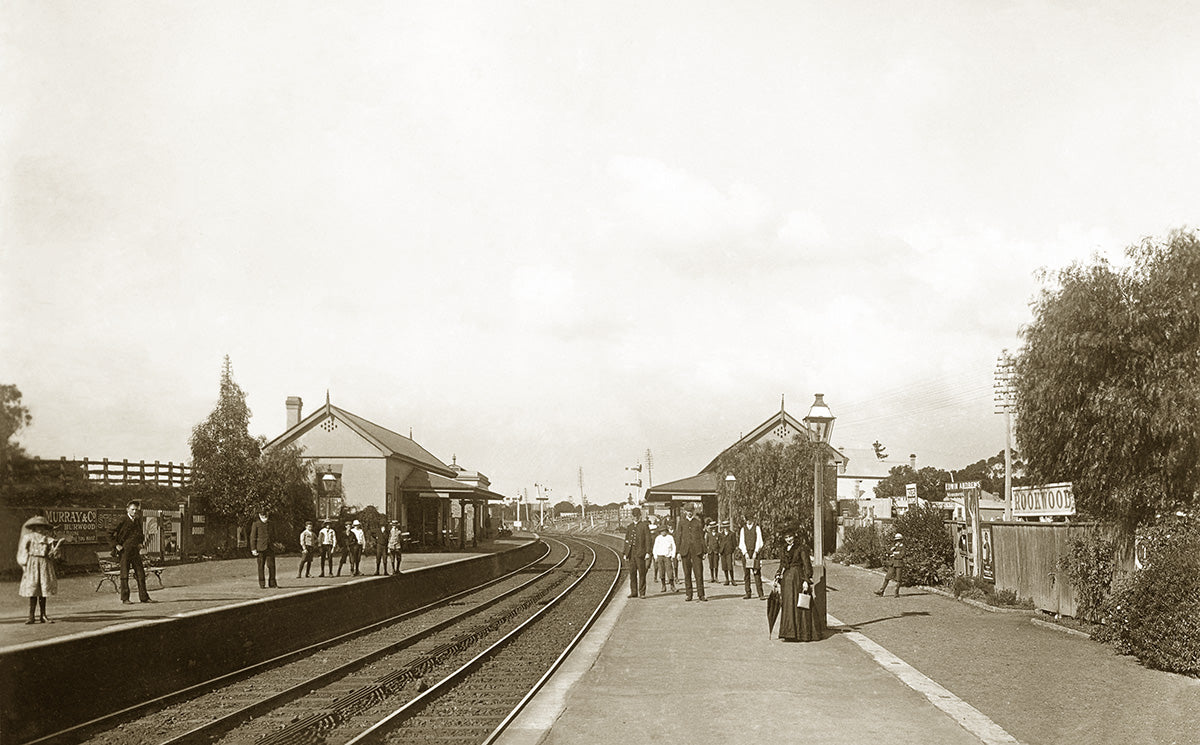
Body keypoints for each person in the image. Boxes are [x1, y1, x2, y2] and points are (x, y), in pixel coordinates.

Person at [17, 516, 65, 624]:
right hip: (32, 564)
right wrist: (24, 564)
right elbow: (23, 551)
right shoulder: (28, 538)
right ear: (34, 527)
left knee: (43, 590)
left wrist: (55, 550)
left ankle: (43, 615)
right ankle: (31, 616)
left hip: (44, 564)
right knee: (33, 589)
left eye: (42, 527)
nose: (40, 529)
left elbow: (54, 554)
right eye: (38, 527)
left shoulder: (48, 539)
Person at [775, 525, 817, 642]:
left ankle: (800, 634)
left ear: (795, 536)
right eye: (786, 537)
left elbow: (806, 565)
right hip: (786, 581)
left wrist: (806, 580)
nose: (789, 539)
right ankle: (788, 633)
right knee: (788, 604)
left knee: (799, 604)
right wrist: (778, 574)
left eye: (790, 536)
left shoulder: (801, 548)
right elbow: (782, 564)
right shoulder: (783, 549)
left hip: (797, 578)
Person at [109, 500, 153, 604]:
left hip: (135, 551)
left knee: (140, 574)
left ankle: (144, 597)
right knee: (124, 574)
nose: (134, 512)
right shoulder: (122, 520)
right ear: (127, 509)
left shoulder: (137, 520)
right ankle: (125, 598)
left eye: (136, 510)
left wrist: (140, 543)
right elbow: (109, 533)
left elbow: (139, 534)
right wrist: (116, 545)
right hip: (124, 551)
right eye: (132, 509)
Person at [675, 503, 707, 602]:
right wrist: (678, 552)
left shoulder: (697, 522)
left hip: (697, 551)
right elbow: (678, 537)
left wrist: (704, 551)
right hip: (685, 551)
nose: (689, 513)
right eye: (688, 511)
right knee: (687, 573)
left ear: (693, 512)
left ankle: (701, 595)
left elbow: (702, 537)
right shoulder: (681, 523)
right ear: (685, 512)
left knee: (698, 573)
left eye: (691, 511)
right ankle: (689, 594)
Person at [623, 508, 652, 598]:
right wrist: (625, 553)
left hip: (640, 553)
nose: (635, 518)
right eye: (634, 516)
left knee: (642, 573)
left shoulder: (644, 526)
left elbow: (648, 540)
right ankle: (634, 592)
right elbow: (627, 541)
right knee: (632, 573)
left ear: (640, 516)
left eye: (637, 516)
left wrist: (648, 552)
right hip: (631, 553)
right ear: (632, 516)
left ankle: (642, 593)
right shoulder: (629, 527)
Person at [249, 511, 279, 589]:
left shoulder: (271, 523)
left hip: (270, 548)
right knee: (261, 566)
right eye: (263, 515)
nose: (265, 517)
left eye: (266, 515)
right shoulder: (256, 524)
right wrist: (253, 549)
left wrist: (276, 543)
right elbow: (252, 537)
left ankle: (272, 583)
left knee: (271, 566)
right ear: (259, 515)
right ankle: (262, 584)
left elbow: (275, 535)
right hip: (260, 548)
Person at [739, 516, 765, 600]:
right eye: (746, 520)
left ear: (752, 519)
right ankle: (748, 592)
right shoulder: (743, 529)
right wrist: (745, 553)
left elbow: (759, 541)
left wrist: (756, 552)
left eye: (749, 519)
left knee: (756, 573)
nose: (748, 521)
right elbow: (741, 542)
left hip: (754, 553)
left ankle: (760, 593)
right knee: (746, 574)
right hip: (746, 553)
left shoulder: (757, 528)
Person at [875, 533, 906, 597]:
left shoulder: (903, 547)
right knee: (887, 577)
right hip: (892, 564)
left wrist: (894, 554)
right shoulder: (894, 547)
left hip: (899, 564)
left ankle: (896, 593)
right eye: (896, 540)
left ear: (901, 540)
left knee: (898, 579)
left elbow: (901, 555)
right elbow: (889, 552)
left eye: (899, 540)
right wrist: (893, 551)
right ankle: (881, 591)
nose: (897, 542)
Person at [652, 524, 676, 593]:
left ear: (666, 531)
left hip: (667, 556)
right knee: (661, 571)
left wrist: (673, 555)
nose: (663, 532)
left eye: (664, 531)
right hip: (660, 556)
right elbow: (655, 548)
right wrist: (655, 556)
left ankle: (672, 585)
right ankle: (663, 585)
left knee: (670, 571)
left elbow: (673, 546)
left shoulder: (670, 537)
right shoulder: (658, 538)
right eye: (661, 531)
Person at [718, 521, 737, 585]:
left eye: (726, 527)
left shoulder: (732, 534)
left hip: (729, 551)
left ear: (728, 527)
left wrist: (732, 549)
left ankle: (732, 579)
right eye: (724, 527)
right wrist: (719, 550)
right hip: (722, 551)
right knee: (724, 566)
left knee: (730, 566)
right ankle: (727, 579)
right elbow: (719, 542)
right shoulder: (720, 534)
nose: (725, 528)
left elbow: (734, 543)